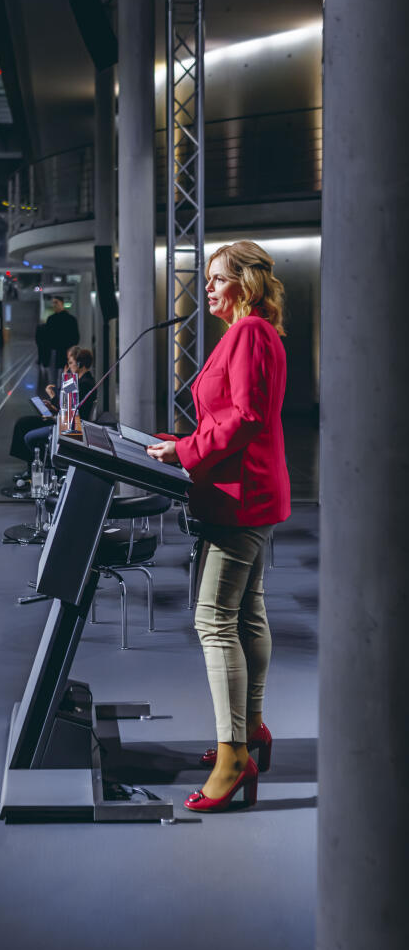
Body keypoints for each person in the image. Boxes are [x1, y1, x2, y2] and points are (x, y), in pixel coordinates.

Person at [147, 240, 290, 814]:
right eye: (206, 279)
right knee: (246, 611)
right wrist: (184, 445)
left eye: (217, 278)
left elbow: (247, 417)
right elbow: (232, 414)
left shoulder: (251, 332)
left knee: (213, 620)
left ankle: (235, 756)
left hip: (240, 497)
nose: (207, 287)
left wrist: (186, 451)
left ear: (247, 284)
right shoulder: (247, 333)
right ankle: (251, 730)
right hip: (244, 491)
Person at [41, 295, 79, 378]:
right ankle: (57, 390)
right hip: (55, 351)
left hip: (66, 351)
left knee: (67, 376)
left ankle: (64, 390)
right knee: (54, 377)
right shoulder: (51, 319)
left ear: (62, 303)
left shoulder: (70, 319)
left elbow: (75, 337)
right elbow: (46, 337)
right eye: (53, 303)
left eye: (56, 302)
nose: (54, 305)